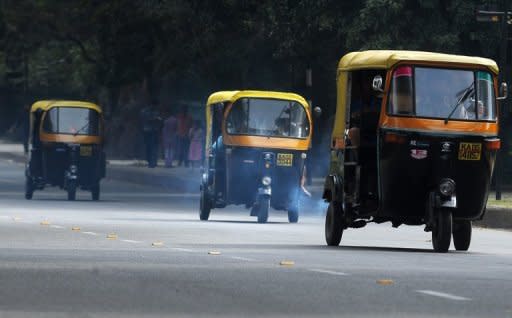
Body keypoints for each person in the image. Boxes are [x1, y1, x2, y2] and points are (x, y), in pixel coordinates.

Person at [140, 101, 162, 168]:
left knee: (153, 147)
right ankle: (150, 161)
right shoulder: (144, 111)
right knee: (149, 147)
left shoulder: (156, 111)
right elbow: (144, 119)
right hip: (148, 131)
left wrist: (158, 120)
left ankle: (153, 162)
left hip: (154, 131)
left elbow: (159, 120)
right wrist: (154, 119)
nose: (155, 107)